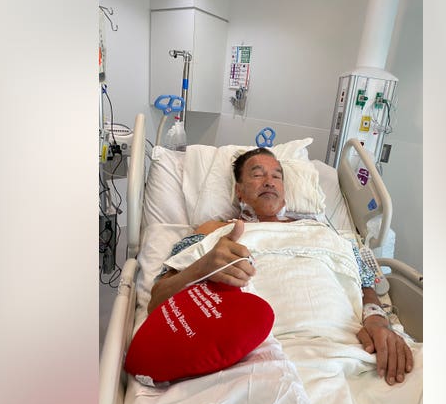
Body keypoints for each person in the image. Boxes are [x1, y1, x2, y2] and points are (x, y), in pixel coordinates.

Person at [148, 148, 413, 386]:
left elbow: (364, 282)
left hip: (352, 347)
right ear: (239, 191)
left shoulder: (320, 229)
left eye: (277, 176)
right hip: (256, 357)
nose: (269, 181)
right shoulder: (214, 231)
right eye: (257, 174)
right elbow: (157, 301)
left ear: (284, 190)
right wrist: (201, 268)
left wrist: (377, 320)